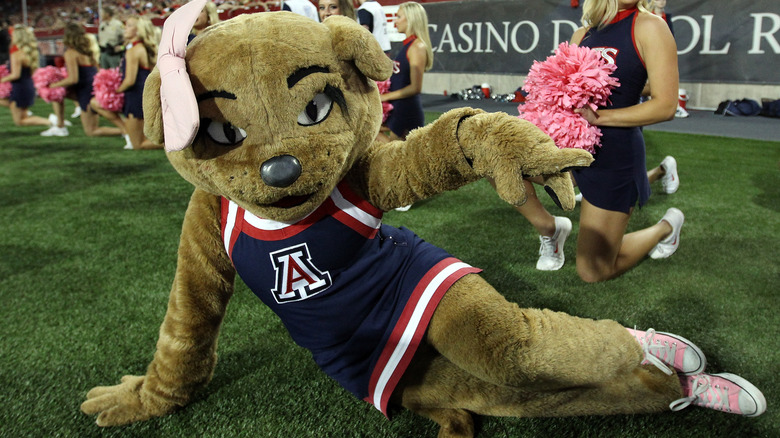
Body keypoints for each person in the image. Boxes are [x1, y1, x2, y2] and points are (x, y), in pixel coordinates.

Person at [509, 0, 683, 282]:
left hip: (615, 156)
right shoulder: (584, 34)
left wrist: (599, 118)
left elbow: (665, 106)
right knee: (496, 157)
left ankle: (666, 227)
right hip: (573, 147)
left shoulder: (651, 26)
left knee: (593, 270)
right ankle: (550, 229)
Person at [90, 16, 161, 150]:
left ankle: (182, 147)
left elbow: (129, 81)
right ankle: (125, 130)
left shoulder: (134, 50)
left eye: (129, 25)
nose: (125, 29)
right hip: (139, 96)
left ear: (138, 30)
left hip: (135, 99)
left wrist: (112, 92)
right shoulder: (140, 48)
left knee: (138, 144)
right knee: (96, 103)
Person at [42, 22, 122, 138]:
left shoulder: (71, 53)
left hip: (86, 92)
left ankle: (129, 132)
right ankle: (60, 125)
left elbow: (73, 79)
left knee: (91, 131)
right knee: (58, 94)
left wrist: (53, 85)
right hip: (93, 89)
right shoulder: (86, 51)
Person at [379, 1, 432, 141]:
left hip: (407, 110)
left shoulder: (417, 47)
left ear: (411, 19)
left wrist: (385, 97)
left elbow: (415, 87)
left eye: (398, 17)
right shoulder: (407, 45)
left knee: (395, 156)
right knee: (372, 134)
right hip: (398, 108)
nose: (395, 21)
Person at [0, 25, 52, 128]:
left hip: (19, 87)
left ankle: (51, 122)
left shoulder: (17, 53)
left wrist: (2, 79)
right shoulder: (29, 53)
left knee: (20, 121)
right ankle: (54, 123)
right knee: (21, 116)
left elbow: (15, 75)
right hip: (27, 85)